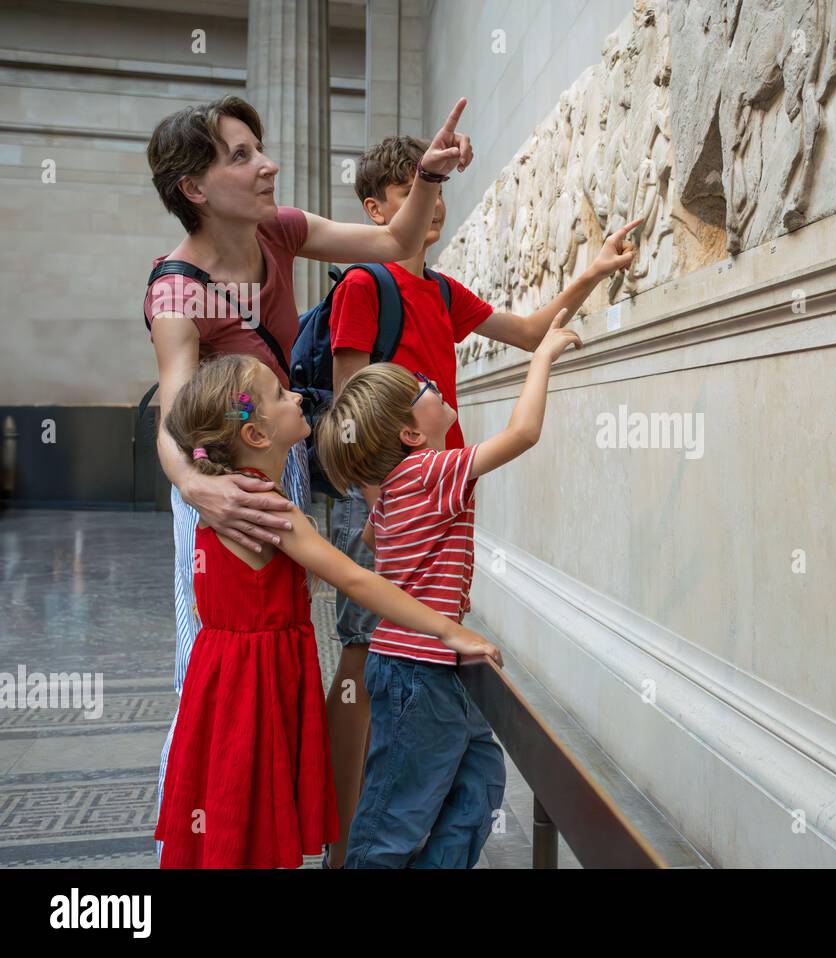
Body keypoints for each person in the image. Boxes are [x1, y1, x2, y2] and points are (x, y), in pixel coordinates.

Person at [143, 93, 476, 855]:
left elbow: (394, 239)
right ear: (194, 188)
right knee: (209, 676)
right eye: (241, 156)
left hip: (282, 452)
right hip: (214, 474)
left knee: (285, 652)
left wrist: (425, 173)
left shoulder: (282, 233)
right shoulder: (177, 290)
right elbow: (175, 422)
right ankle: (199, 835)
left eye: (258, 148)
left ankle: (274, 825)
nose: (267, 165)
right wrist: (202, 488)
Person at [320, 133, 642, 866]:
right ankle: (349, 848)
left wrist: (590, 272)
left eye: (434, 192)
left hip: (429, 492)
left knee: (449, 735)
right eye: (413, 192)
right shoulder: (366, 286)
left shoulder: (439, 289)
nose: (432, 208)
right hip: (394, 502)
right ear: (377, 208)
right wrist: (388, 507)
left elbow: (529, 333)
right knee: (367, 665)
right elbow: (347, 414)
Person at [154, 353, 500, 868]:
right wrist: (449, 631)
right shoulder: (273, 510)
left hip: (222, 679)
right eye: (279, 395)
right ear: (255, 436)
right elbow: (357, 580)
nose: (297, 396)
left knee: (231, 800)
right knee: (251, 798)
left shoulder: (227, 505)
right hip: (258, 684)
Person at [314, 309, 579, 868]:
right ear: (412, 434)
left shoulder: (389, 489)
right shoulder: (429, 471)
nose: (434, 385)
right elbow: (524, 433)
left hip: (425, 669)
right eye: (423, 388)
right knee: (397, 816)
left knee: (477, 785)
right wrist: (542, 358)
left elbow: (373, 533)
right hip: (419, 676)